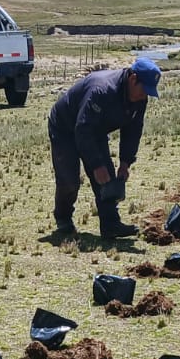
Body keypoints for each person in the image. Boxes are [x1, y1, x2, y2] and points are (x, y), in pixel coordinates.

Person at [48, 56, 160, 239]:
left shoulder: (140, 99)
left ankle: (110, 225)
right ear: (133, 79)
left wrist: (125, 162)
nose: (145, 95)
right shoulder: (102, 90)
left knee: (107, 179)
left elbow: (133, 130)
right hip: (65, 127)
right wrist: (96, 164)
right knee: (69, 181)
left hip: (95, 128)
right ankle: (63, 218)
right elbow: (82, 130)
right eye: (144, 89)